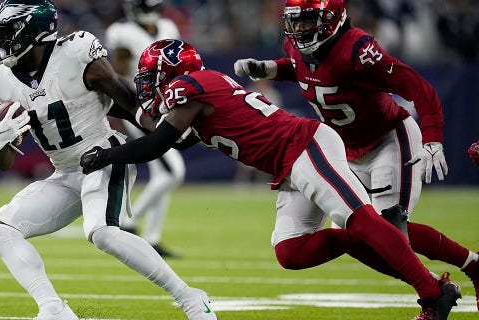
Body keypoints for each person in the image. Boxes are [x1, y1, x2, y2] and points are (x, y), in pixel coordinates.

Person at [79, 39, 462, 319]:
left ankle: (433, 293)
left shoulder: (188, 86)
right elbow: (175, 140)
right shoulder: (199, 90)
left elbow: (158, 144)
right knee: (291, 251)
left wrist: (105, 155)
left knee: (360, 219)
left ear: (169, 73)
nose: (148, 85)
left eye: (151, 77)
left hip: (304, 146)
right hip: (289, 164)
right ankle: (385, 247)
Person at [233, 0, 479, 314]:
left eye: (308, 21)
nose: (299, 30)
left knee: (389, 227)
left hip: (387, 139)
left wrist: (433, 138)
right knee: (332, 238)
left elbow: (419, 87)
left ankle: (463, 270)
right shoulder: (298, 46)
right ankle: (448, 280)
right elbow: (302, 68)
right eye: (295, 22)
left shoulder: (358, 50)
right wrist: (270, 68)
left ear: (332, 20)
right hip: (338, 148)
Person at [0, 2, 217, 320]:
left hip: (103, 155)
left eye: (9, 32)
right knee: (1, 230)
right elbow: (3, 161)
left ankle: (190, 297)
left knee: (102, 232)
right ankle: (53, 309)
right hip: (64, 171)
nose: (1, 41)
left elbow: (129, 103)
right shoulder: (0, 79)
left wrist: (168, 130)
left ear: (34, 33)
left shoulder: (76, 52)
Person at [104, 0, 185, 257]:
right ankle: (127, 222)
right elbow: (118, 72)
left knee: (163, 173)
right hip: (140, 107)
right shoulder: (120, 32)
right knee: (173, 171)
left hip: (168, 104)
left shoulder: (169, 27)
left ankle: (152, 236)